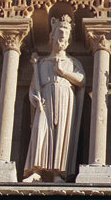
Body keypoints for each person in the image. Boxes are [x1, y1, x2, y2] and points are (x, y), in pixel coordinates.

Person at [23, 15, 85, 182]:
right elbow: (33, 88)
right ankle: (36, 170)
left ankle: (58, 173)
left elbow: (81, 80)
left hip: (65, 100)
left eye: (66, 33)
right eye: (60, 32)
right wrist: (35, 99)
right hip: (45, 100)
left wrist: (63, 72)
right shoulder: (42, 63)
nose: (62, 36)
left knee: (61, 133)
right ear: (52, 36)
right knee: (40, 131)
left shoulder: (72, 62)